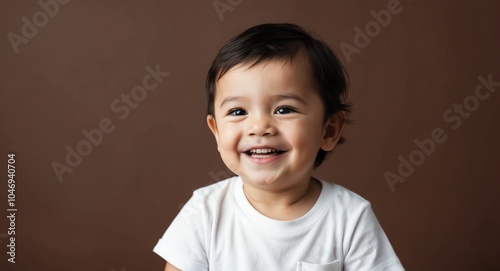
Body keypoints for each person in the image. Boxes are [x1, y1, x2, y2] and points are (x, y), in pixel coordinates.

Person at [153, 23, 404, 271]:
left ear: (328, 130)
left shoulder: (349, 218)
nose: (259, 126)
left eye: (284, 109)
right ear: (216, 131)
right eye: (238, 111)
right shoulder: (205, 212)